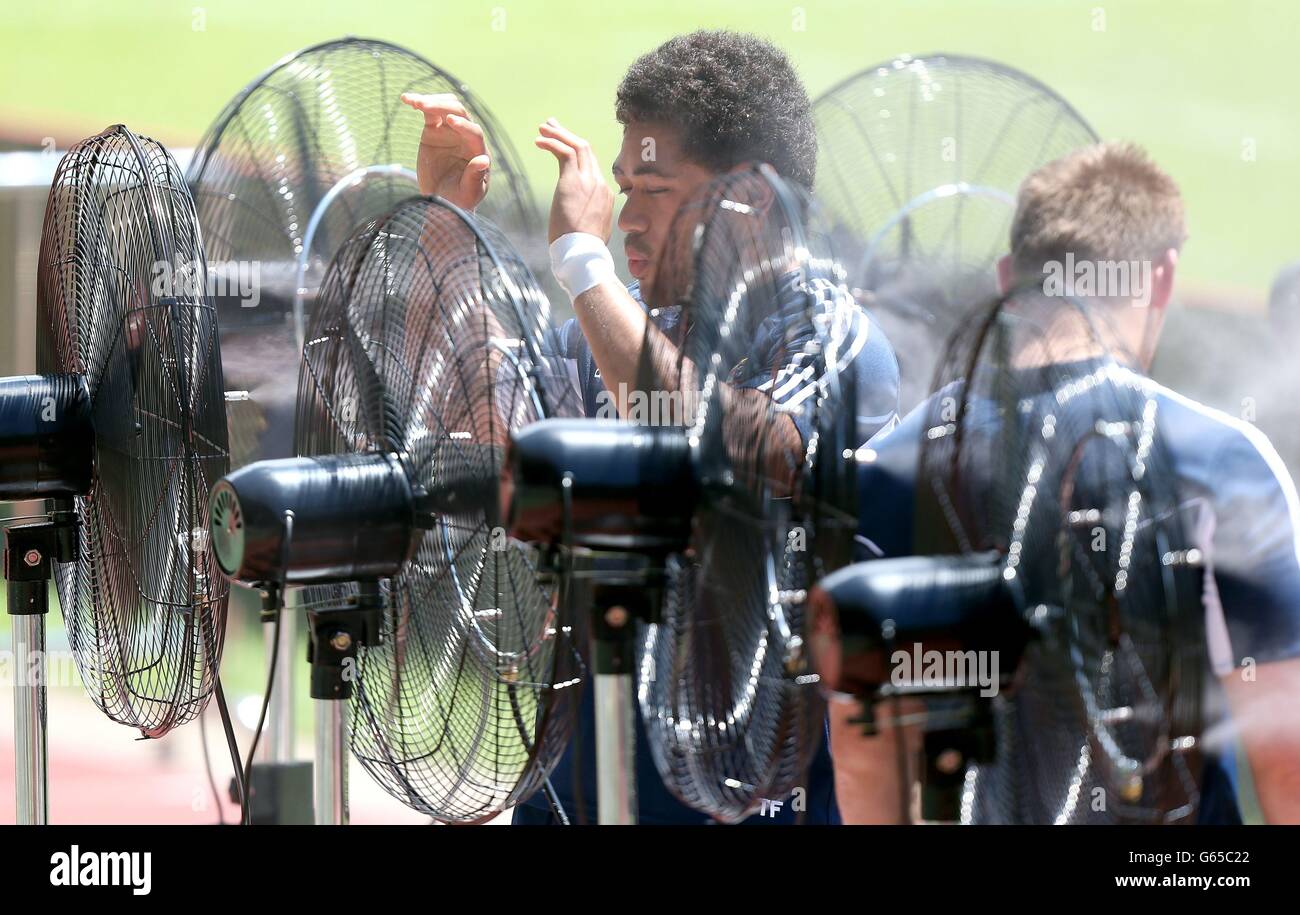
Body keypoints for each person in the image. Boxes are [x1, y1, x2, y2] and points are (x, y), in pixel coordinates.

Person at [402, 30, 901, 824]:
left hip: (750, 788)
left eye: (654, 190)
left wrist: (583, 266)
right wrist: (442, 230)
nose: (624, 216)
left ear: (751, 199)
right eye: (623, 185)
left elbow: (739, 448)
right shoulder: (621, 330)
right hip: (582, 775)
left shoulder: (828, 334)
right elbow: (483, 442)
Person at [832, 141, 1300, 824]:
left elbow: (861, 739)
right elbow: (1283, 749)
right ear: (1161, 278)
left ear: (1005, 279)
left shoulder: (885, 467)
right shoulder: (1223, 462)